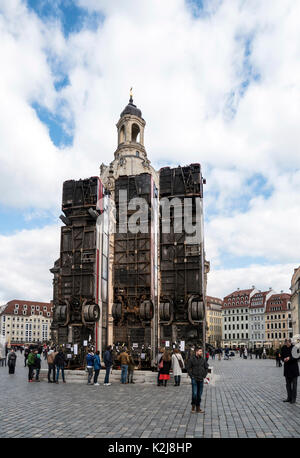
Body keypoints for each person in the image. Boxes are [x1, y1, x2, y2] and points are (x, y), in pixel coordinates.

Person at [186, 347, 209, 413]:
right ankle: (193, 407)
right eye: (200, 351)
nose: (201, 352)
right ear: (196, 352)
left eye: (201, 351)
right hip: (194, 378)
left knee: (199, 394)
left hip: (201, 378)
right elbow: (188, 368)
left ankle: (198, 408)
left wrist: (204, 375)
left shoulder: (203, 359)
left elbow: (206, 367)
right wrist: (191, 376)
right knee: (195, 393)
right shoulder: (192, 359)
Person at [281, 339, 299, 404]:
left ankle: (293, 399)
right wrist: (283, 359)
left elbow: (297, 357)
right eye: (285, 343)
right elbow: (281, 356)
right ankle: (289, 397)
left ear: (290, 342)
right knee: (288, 385)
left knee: (294, 385)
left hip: (294, 369)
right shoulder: (283, 348)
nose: (286, 344)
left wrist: (290, 358)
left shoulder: (294, 348)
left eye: (287, 343)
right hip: (287, 369)